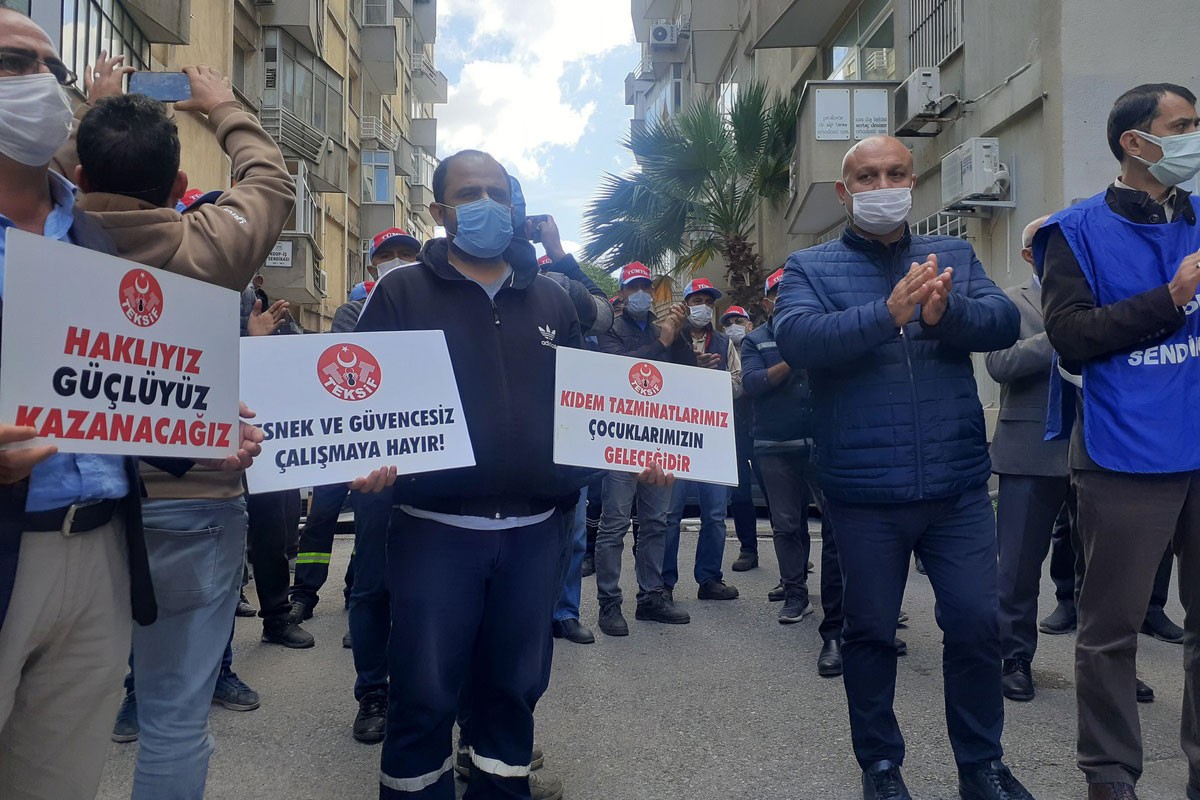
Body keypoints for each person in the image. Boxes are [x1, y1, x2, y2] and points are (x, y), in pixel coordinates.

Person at [61, 59, 300, 795]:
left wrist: (90, 123)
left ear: (79, 174)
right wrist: (222, 107)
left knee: (51, 716)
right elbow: (270, 181)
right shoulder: (211, 247)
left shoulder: (42, 243)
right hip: (193, 504)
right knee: (173, 716)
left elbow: (50, 178)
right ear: (175, 190)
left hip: (68, 510)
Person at [774, 135, 1032, 800]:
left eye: (893, 173)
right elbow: (799, 339)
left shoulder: (953, 254)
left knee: (978, 625)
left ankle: (982, 764)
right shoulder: (810, 266)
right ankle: (881, 765)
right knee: (869, 632)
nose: (881, 184)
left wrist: (948, 315)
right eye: (866, 175)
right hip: (864, 494)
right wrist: (886, 314)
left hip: (957, 487)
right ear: (845, 191)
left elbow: (1003, 323)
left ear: (913, 180)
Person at [356, 149, 604, 800]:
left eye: (498, 192)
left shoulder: (555, 298)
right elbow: (362, 405)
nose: (487, 204)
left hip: (535, 536)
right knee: (423, 697)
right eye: (469, 194)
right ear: (438, 212)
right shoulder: (401, 292)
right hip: (434, 532)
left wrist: (641, 454)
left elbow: (595, 407)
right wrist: (361, 459)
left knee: (512, 697)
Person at [1037, 82, 1200, 800]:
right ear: (1136, 143)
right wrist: (1170, 298)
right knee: (1110, 633)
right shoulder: (1073, 231)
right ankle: (1110, 777)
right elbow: (1069, 335)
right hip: (1124, 451)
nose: (1196, 137)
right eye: (1184, 126)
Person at [986, 215, 1071, 703]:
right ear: (1028, 254)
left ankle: (1108, 665)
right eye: (1049, 244)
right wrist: (1059, 334)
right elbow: (999, 363)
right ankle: (1014, 657)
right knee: (1016, 565)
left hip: (1099, 446)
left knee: (1101, 566)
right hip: (1029, 448)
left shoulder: (1104, 294)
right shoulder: (1009, 301)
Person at [742, 268, 847, 659]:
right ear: (768, 301)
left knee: (840, 525)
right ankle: (795, 593)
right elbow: (753, 384)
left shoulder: (819, 331)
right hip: (773, 445)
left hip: (821, 443)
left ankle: (855, 598)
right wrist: (791, 358)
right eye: (777, 293)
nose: (783, 298)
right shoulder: (755, 340)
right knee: (787, 525)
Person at [594, 262, 696, 636]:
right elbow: (621, 373)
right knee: (614, 524)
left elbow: (687, 371)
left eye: (646, 287)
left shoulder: (663, 330)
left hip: (659, 441)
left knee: (656, 522)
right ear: (620, 294)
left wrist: (679, 336)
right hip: (621, 440)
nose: (641, 293)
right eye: (633, 287)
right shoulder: (610, 332)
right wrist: (663, 341)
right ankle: (609, 603)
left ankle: (651, 597)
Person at [662, 277, 740, 602]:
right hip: (675, 436)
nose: (703, 307)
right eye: (697, 300)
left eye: (709, 301)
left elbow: (739, 384)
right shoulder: (669, 340)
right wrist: (689, 367)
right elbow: (655, 382)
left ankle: (710, 580)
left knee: (715, 514)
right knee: (669, 514)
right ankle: (662, 584)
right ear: (686, 304)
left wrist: (714, 380)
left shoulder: (725, 344)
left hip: (713, 439)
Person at [720, 305, 762, 573]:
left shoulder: (761, 345)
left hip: (762, 428)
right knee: (740, 493)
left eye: (739, 320)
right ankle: (748, 548)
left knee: (779, 493)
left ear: (749, 324)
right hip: (731, 431)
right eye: (729, 322)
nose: (734, 325)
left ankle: (795, 551)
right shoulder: (720, 349)